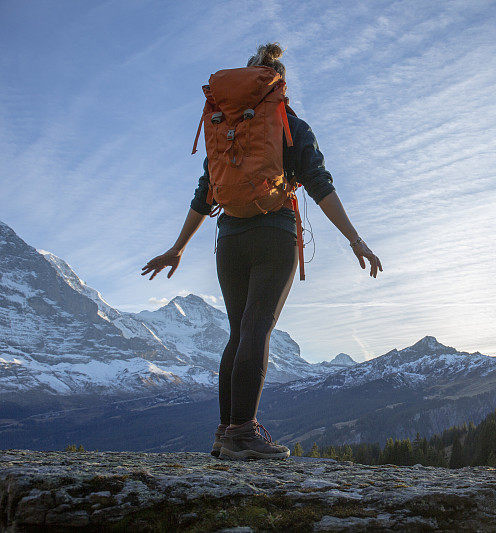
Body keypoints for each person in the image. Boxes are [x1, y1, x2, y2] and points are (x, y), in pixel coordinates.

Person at [141, 43, 382, 460]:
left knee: (238, 332)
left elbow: (206, 193)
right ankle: (242, 434)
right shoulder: (288, 123)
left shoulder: (223, 125)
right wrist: (355, 239)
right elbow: (320, 185)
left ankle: (224, 432)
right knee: (257, 329)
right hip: (273, 232)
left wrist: (177, 248)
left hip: (229, 237)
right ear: (278, 82)